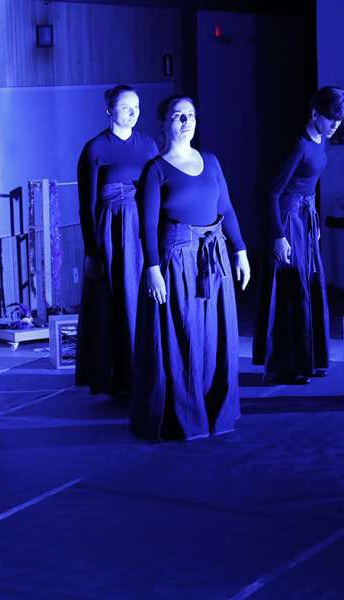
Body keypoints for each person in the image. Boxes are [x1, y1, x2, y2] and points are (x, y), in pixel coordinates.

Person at [130, 95, 251, 441]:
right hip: (176, 260)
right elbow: (148, 226)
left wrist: (240, 250)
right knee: (183, 337)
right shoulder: (156, 170)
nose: (186, 122)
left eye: (191, 116)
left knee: (215, 337)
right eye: (178, 116)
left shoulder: (210, 161)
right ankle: (184, 415)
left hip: (213, 259)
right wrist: (153, 269)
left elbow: (225, 208)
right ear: (163, 124)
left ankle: (217, 411)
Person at [253, 86, 344, 384]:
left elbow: (311, 185)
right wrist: (278, 235)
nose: (336, 125)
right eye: (331, 119)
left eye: (339, 120)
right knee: (291, 290)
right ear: (314, 114)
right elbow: (271, 192)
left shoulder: (321, 141)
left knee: (310, 288)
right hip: (289, 219)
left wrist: (315, 220)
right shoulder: (299, 146)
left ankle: (310, 360)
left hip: (306, 219)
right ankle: (286, 366)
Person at [75, 85, 158, 395]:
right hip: (110, 230)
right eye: (126, 107)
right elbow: (86, 204)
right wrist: (91, 252)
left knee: (140, 296)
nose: (133, 112)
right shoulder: (95, 148)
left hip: (140, 229)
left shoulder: (148, 145)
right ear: (109, 110)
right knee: (113, 298)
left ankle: (143, 367)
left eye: (137, 106)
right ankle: (116, 373)